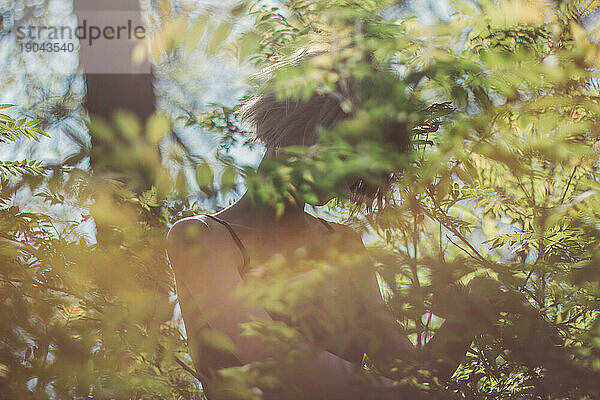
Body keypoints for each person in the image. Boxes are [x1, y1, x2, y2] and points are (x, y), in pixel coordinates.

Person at [165, 49, 549, 399]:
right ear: (302, 130)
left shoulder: (342, 245)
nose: (350, 186)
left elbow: (408, 375)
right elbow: (271, 359)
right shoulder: (201, 238)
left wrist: (469, 313)